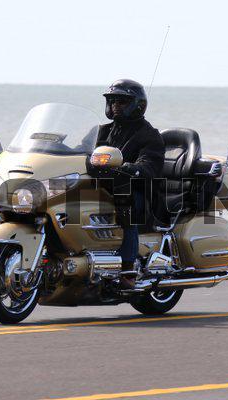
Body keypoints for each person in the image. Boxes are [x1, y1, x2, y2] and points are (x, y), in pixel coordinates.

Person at [87, 79, 165, 289]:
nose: (115, 106)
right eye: (112, 101)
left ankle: (127, 268)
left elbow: (149, 167)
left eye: (121, 101)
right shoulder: (102, 131)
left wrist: (130, 168)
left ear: (137, 105)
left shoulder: (149, 135)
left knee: (126, 204)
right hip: (105, 187)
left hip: (138, 193)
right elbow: (83, 151)